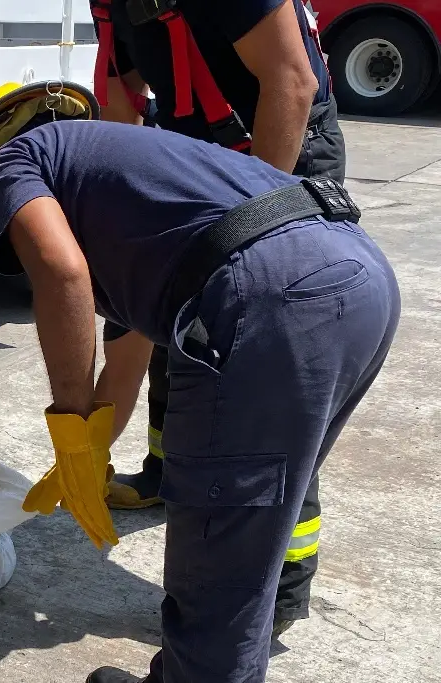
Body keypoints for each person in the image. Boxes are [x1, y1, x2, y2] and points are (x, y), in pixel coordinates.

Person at [0, 80, 400, 683]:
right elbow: (126, 363)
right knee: (252, 525)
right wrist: (93, 446)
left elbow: (61, 273)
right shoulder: (126, 184)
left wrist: (72, 432)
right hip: (361, 278)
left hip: (270, 293)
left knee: (219, 547)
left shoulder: (11, 162)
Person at [89, 0, 347, 636]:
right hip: (198, 151)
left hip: (283, 147)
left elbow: (291, 82)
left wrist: (249, 226)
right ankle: (163, 469)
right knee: (174, 323)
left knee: (266, 374)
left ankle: (278, 587)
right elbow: (122, 101)